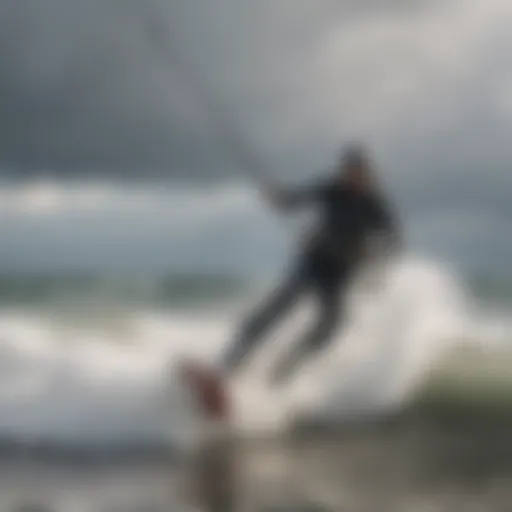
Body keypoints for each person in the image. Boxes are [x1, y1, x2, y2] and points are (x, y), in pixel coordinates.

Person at [219, 143, 401, 385]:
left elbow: (394, 240)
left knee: (331, 325)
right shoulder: (331, 189)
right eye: (347, 170)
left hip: (341, 274)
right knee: (278, 306)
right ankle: (231, 362)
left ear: (367, 173)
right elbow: (292, 200)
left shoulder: (375, 205)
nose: (351, 176)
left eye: (357, 171)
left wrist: (375, 260)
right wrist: (278, 198)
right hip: (313, 262)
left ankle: (283, 370)